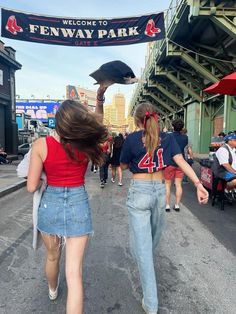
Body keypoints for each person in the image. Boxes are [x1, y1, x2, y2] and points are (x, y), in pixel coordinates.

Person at [120, 102, 208, 314]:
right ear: (156, 118)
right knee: (150, 243)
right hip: (160, 192)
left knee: (144, 248)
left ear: (137, 120)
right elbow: (182, 162)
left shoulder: (131, 139)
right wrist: (198, 184)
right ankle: (147, 278)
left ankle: (151, 303)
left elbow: (123, 165)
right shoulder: (167, 138)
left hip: (140, 191)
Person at [27, 99, 108, 314]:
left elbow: (31, 186)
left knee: (52, 256)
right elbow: (99, 125)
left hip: (50, 205)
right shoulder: (87, 145)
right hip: (78, 203)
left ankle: (52, 290)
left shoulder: (41, 145)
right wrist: (100, 98)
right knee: (74, 274)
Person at [163, 119, 188, 212]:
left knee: (167, 185)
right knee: (178, 185)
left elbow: (164, 145)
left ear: (173, 127)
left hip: (170, 162)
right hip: (181, 163)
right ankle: (177, 205)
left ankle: (167, 205)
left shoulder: (169, 136)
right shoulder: (185, 137)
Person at [215, 132, 236, 199]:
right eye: (235, 140)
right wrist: (235, 172)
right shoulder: (223, 149)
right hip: (223, 171)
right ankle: (226, 190)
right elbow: (225, 165)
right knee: (235, 181)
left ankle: (233, 191)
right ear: (230, 141)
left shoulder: (233, 150)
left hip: (231, 170)